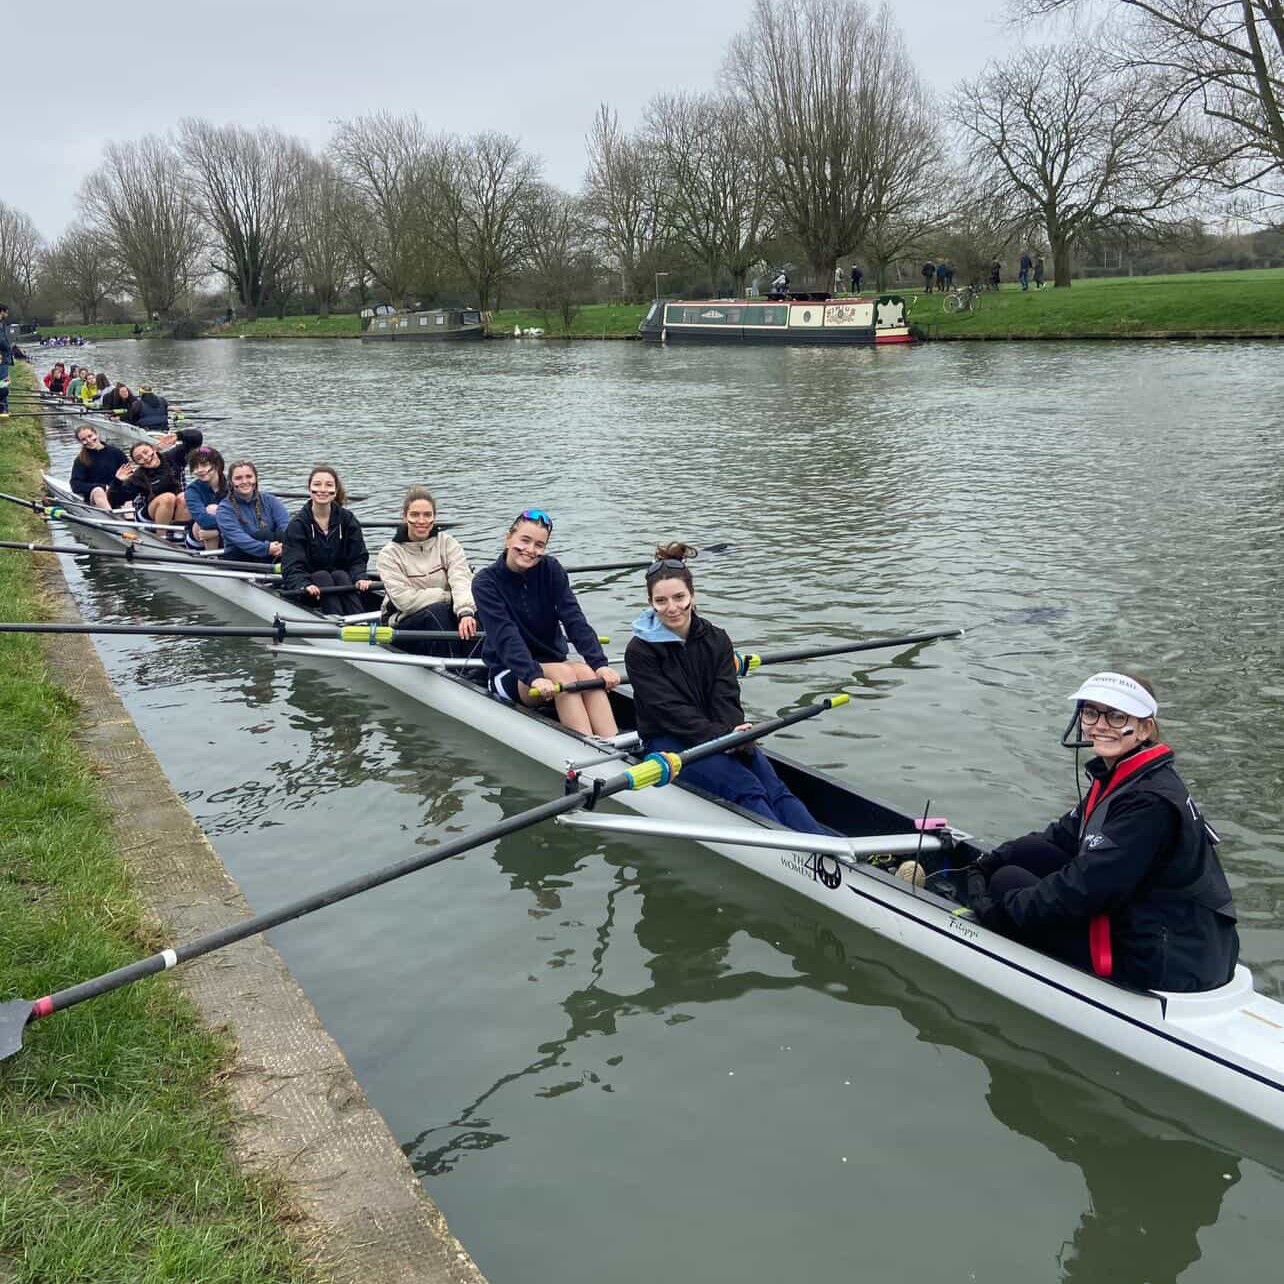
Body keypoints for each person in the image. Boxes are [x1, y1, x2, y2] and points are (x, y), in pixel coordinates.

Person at [965, 671, 1239, 993]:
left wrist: (1002, 912)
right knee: (1019, 857)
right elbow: (1061, 836)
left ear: (1144, 728)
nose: (1100, 725)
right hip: (1169, 932)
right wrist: (986, 861)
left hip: (1170, 963)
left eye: (1117, 715)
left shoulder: (1148, 802)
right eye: (1092, 712)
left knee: (1007, 882)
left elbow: (1084, 888)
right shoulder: (1124, 777)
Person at [624, 544, 834, 834]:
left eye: (678, 597)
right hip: (668, 741)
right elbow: (667, 711)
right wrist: (722, 737)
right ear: (651, 603)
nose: (671, 608)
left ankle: (828, 851)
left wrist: (736, 737)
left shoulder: (717, 639)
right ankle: (795, 857)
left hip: (719, 732)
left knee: (776, 788)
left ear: (692, 596)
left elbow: (726, 697)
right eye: (661, 601)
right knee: (747, 787)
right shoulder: (639, 651)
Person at [472, 508, 620, 736]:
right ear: (508, 538)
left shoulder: (551, 570)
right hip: (510, 671)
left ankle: (612, 742)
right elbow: (505, 636)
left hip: (554, 664)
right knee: (564, 674)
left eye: (539, 545)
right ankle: (588, 747)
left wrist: (600, 663)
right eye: (525, 540)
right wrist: (533, 676)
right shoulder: (485, 582)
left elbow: (574, 619)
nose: (530, 550)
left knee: (586, 672)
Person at [375, 487, 478, 658]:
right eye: (415, 515)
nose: (421, 521)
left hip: (444, 612)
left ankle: (480, 665)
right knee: (437, 612)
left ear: (434, 517)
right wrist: (447, 597)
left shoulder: (448, 543)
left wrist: (466, 612)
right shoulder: (389, 554)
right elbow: (406, 602)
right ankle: (455, 670)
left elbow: (460, 580)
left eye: (427, 515)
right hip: (401, 621)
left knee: (476, 609)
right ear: (404, 517)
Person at [281, 465, 372, 615]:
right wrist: (303, 584)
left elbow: (357, 558)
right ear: (309, 488)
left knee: (340, 575)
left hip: (342, 583)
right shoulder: (298, 525)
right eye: (317, 484)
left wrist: (360, 577)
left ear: (335, 491)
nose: (322, 490)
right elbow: (292, 565)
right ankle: (337, 620)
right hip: (309, 590)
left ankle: (358, 620)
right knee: (322, 576)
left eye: (328, 485)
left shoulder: (347, 520)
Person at [116, 428, 203, 527]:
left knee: (186, 496)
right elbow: (116, 500)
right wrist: (117, 481)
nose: (145, 458)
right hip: (149, 516)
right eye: (139, 458)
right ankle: (161, 535)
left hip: (177, 509)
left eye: (146, 452)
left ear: (154, 449)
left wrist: (178, 436)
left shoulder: (174, 457)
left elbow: (197, 439)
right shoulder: (137, 476)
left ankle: (178, 533)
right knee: (168, 498)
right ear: (137, 463)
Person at [216, 460, 290, 565]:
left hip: (274, 551)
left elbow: (285, 526)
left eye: (249, 476)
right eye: (238, 478)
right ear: (231, 483)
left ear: (255, 479)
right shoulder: (225, 509)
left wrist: (285, 546)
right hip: (240, 558)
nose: (245, 481)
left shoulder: (270, 500)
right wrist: (267, 548)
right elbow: (239, 538)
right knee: (261, 534)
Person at [69, 423, 130, 510]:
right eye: (84, 439)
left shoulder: (116, 452)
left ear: (96, 434)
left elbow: (129, 474)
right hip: (97, 496)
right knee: (98, 490)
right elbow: (75, 485)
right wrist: (101, 486)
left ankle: (131, 518)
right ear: (80, 442)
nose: (89, 441)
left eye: (90, 436)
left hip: (116, 491)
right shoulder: (80, 460)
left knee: (127, 488)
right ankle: (111, 517)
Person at [183, 446, 227, 551]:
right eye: (195, 467)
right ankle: (212, 559)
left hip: (226, 533)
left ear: (217, 465)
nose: (199, 470)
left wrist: (219, 532)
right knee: (212, 509)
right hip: (200, 537)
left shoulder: (232, 485)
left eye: (204, 465)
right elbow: (203, 520)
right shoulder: (192, 490)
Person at [0, 303, 10, 418]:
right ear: (2, 311)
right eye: (6, 312)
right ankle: (3, 409)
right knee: (3, 383)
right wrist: (8, 348)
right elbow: (2, 341)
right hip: (2, 358)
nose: (7, 314)